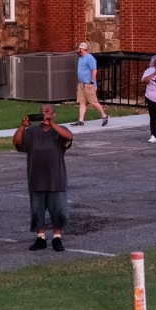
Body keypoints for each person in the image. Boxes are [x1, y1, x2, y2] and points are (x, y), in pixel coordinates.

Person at [12, 103, 75, 251]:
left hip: (56, 179)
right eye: (41, 112)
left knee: (58, 210)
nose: (44, 114)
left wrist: (51, 124)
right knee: (37, 211)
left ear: (54, 115)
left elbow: (69, 137)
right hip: (36, 178)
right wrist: (22, 126)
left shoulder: (59, 131)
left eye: (47, 111)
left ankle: (57, 238)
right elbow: (17, 142)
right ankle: (40, 238)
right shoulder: (32, 132)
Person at [74, 42, 108, 127]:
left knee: (93, 102)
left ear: (81, 49)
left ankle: (104, 116)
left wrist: (92, 82)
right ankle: (81, 121)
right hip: (81, 84)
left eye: (77, 48)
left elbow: (94, 70)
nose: (76, 50)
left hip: (88, 85)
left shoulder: (89, 58)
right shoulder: (80, 58)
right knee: (82, 102)